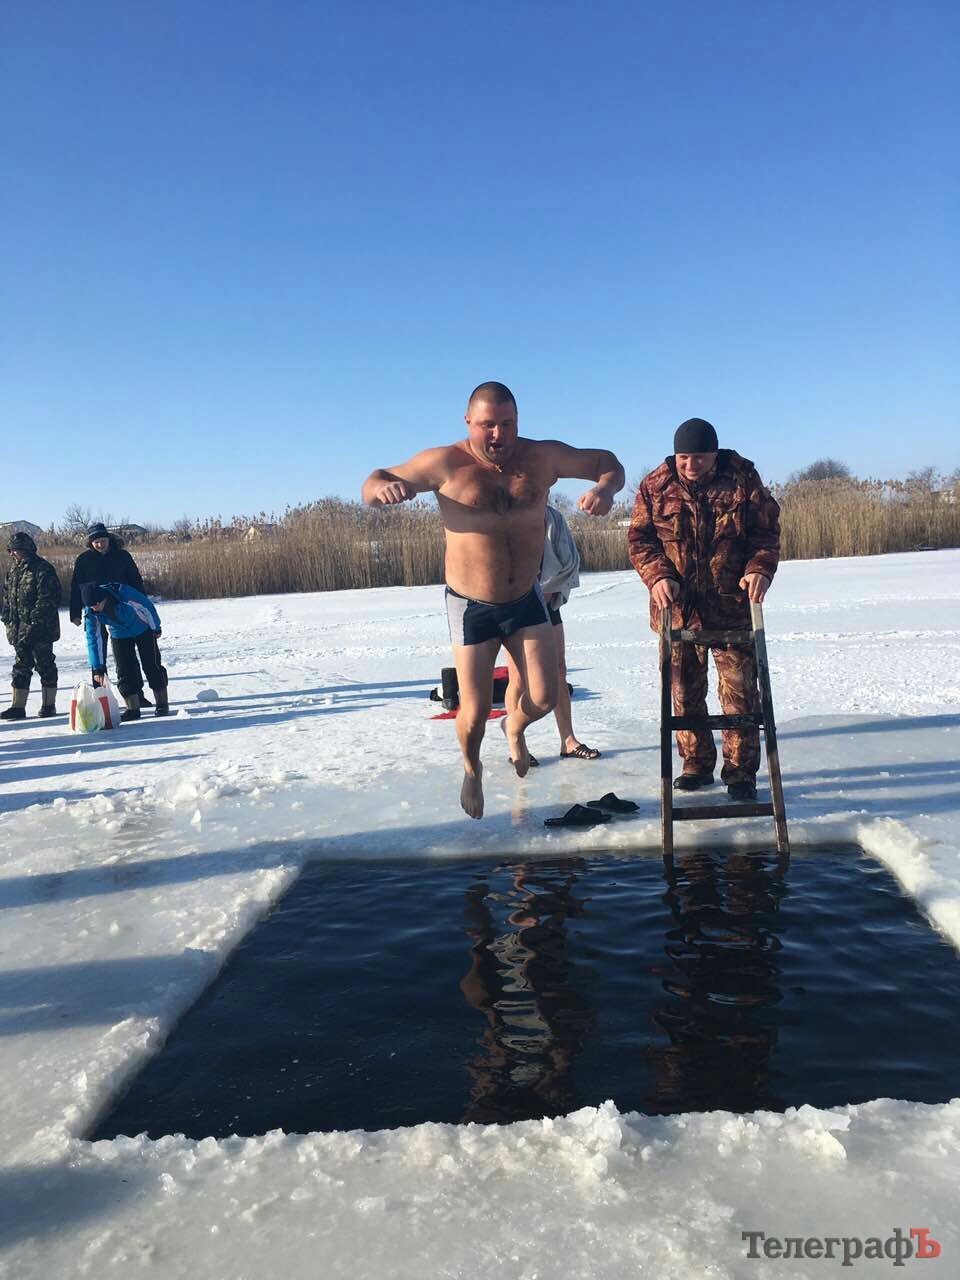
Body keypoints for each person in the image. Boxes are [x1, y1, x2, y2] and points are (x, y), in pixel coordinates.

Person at [362, 381, 624, 819]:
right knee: (475, 708)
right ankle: (472, 768)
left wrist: (605, 489)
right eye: (488, 425)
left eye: (507, 424)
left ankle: (514, 729)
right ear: (469, 423)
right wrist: (383, 490)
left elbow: (606, 462)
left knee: (544, 696)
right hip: (472, 606)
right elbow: (374, 481)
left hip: (526, 597)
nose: (498, 435)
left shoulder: (541, 457)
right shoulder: (445, 463)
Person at [627, 417, 780, 802]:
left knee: (741, 696)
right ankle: (695, 764)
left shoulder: (744, 481)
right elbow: (640, 539)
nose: (690, 465)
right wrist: (658, 575)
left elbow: (766, 534)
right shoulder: (654, 485)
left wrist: (759, 569)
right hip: (677, 610)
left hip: (732, 606)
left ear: (714, 454)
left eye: (699, 457)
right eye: (684, 457)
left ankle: (741, 772)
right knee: (683, 691)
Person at [503, 504, 600, 763]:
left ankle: (568, 740)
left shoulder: (552, 517)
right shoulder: (505, 514)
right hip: (514, 603)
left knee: (558, 669)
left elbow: (569, 560)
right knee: (519, 678)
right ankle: (517, 744)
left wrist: (549, 589)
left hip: (546, 603)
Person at [69, 522, 154, 705]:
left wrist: (143, 604)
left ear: (109, 539)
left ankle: (136, 694)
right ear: (90, 543)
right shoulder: (84, 560)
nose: (100, 544)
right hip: (95, 608)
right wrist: (75, 611)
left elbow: (135, 581)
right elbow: (76, 586)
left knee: (126, 653)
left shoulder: (122, 556)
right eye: (96, 542)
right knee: (97, 648)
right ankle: (102, 696)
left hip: (122, 607)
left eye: (102, 540)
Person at [81, 582, 170, 720]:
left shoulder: (123, 594)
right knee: (124, 670)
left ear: (103, 599)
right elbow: (94, 638)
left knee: (151, 665)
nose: (94, 609)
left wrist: (155, 627)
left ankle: (162, 703)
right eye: (91, 606)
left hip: (142, 628)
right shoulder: (91, 612)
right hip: (119, 634)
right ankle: (132, 708)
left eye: (96, 605)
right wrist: (97, 667)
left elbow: (147, 607)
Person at [1, 531, 62, 720]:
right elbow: (7, 599)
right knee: (20, 666)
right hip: (18, 630)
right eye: (11, 550)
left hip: (40, 630)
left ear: (27, 549)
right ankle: (18, 707)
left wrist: (34, 623)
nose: (13, 554)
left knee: (45, 665)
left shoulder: (43, 569)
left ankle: (48, 705)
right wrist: (7, 619)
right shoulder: (13, 572)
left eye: (16, 550)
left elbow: (49, 599)